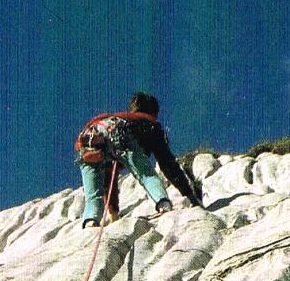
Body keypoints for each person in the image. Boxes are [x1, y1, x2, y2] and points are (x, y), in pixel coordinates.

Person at [75, 92, 204, 227]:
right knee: (147, 175)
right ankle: (163, 203)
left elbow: (108, 179)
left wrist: (113, 212)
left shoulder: (119, 117)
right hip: (120, 133)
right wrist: (189, 195)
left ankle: (91, 220)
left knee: (93, 194)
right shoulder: (148, 123)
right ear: (153, 112)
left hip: (89, 139)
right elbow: (167, 163)